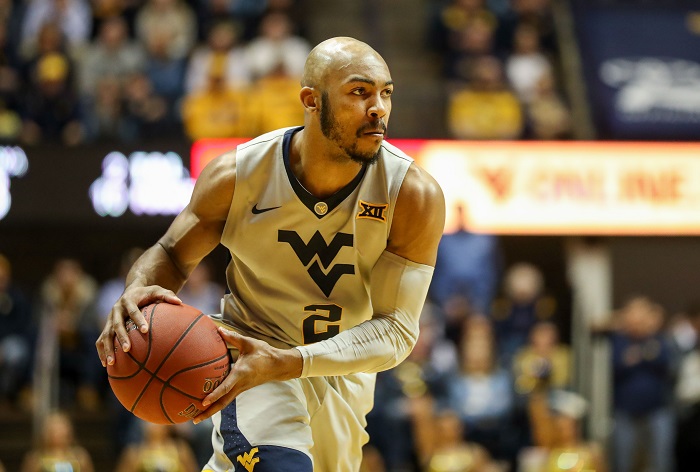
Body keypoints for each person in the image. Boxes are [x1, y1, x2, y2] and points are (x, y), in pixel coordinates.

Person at [96, 36, 446, 472]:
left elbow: (396, 331)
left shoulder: (412, 195)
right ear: (311, 100)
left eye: (386, 93)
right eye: (359, 92)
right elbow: (170, 252)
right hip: (250, 354)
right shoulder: (239, 175)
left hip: (339, 373)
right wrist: (136, 293)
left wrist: (293, 363)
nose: (379, 108)